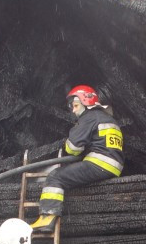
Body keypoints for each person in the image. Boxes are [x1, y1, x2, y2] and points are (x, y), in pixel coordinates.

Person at [29, 85, 124, 232]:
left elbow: (73, 148)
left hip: (99, 162)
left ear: (86, 101)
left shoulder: (89, 117)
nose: (73, 110)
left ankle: (47, 217)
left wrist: (67, 144)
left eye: (75, 105)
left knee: (55, 177)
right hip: (114, 165)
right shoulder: (108, 119)